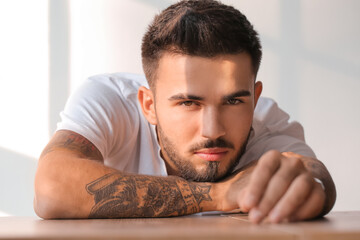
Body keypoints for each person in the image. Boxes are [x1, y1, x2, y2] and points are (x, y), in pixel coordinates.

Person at [34, 0, 336, 223]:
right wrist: (220, 195)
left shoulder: (267, 123)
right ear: (148, 105)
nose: (212, 130)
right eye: (189, 103)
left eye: (233, 102)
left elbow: (312, 175)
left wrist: (315, 188)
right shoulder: (110, 100)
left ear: (255, 99)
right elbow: (50, 190)